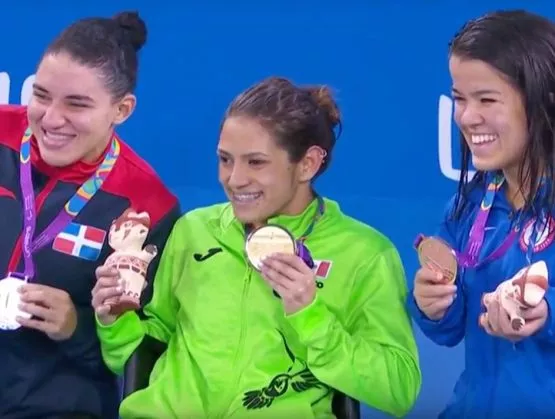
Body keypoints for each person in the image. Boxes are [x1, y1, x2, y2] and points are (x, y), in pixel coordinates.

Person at [92, 76, 421, 418]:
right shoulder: (194, 229)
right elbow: (145, 351)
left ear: (307, 164)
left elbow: (398, 389)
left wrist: (310, 315)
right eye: (225, 159)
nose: (234, 179)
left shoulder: (364, 253)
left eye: (256, 162)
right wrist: (116, 320)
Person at [0, 10, 180, 419]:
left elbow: (148, 348)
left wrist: (76, 327)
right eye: (41, 95)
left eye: (76, 104)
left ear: (122, 110)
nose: (51, 118)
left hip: (54, 404)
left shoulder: (146, 203)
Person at [407, 9, 555, 419]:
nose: (467, 117)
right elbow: (450, 331)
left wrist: (546, 315)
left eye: (487, 99)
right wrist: (432, 304)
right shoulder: (468, 204)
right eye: (459, 98)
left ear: (542, 102)